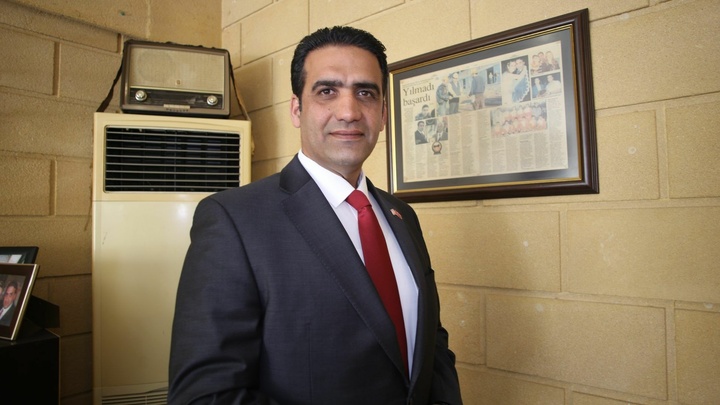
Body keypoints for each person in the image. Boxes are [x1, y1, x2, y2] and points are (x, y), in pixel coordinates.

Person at [168, 26, 463, 405]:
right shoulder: (234, 221)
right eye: (327, 91)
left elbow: (431, 343)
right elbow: (205, 395)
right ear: (297, 109)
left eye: (365, 93)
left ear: (383, 114)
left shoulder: (401, 215)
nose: (349, 112)